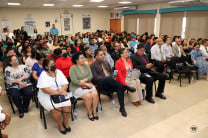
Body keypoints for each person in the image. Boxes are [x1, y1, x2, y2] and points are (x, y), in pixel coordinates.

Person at [90, 49, 135, 117]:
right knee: (109, 79)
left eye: (103, 54)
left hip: (111, 82)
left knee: (119, 87)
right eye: (101, 55)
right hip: (101, 84)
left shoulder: (106, 62)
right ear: (96, 56)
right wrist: (107, 78)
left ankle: (122, 107)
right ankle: (125, 86)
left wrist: (113, 76)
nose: (103, 56)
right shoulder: (93, 65)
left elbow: (111, 72)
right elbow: (95, 78)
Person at [37, 58, 71, 134]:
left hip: (60, 92)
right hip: (46, 95)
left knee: (67, 106)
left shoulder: (59, 72)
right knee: (56, 108)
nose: (54, 65)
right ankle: (60, 125)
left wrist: (61, 91)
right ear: (46, 67)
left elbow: (65, 84)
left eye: (54, 63)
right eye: (51, 64)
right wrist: (58, 92)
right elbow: (45, 90)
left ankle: (65, 122)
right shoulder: (43, 75)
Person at [69, 52, 99, 121]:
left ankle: (94, 111)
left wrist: (84, 80)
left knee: (95, 94)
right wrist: (85, 84)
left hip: (87, 84)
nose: (84, 59)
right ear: (76, 60)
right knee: (88, 96)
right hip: (76, 87)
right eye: (81, 58)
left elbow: (90, 76)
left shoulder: (86, 65)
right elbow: (74, 80)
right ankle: (89, 113)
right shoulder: (72, 68)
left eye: (83, 57)